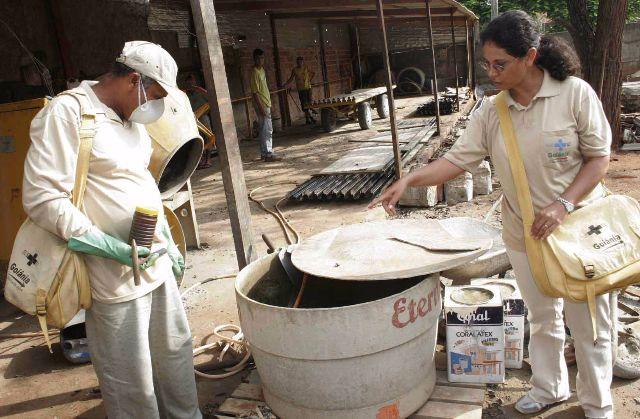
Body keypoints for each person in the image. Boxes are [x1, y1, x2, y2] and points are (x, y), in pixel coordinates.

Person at [370, 11, 614, 419]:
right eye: (487, 63)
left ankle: (597, 405)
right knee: (542, 318)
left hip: (577, 232)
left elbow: (599, 159)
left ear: (530, 56)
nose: (492, 72)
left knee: (589, 326)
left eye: (500, 64)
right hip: (525, 234)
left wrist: (562, 204)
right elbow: (455, 161)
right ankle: (550, 388)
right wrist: (409, 179)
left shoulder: (575, 95)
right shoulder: (492, 111)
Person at [23, 41, 201, 419]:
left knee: (175, 356)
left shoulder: (130, 119)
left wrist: (166, 240)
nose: (153, 106)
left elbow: (141, 180)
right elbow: (42, 198)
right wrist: (108, 246)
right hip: (113, 280)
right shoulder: (69, 113)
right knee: (130, 380)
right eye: (152, 95)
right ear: (133, 79)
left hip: (153, 266)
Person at [250, 48, 281, 161]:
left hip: (266, 102)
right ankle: (268, 154)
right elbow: (255, 92)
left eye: (262, 58)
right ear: (254, 59)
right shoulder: (254, 72)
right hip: (261, 104)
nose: (260, 60)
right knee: (267, 129)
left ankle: (265, 153)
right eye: (258, 58)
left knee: (266, 128)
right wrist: (261, 107)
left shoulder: (262, 70)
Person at [184, 72, 214, 169]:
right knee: (198, 140)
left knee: (209, 137)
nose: (190, 85)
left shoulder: (200, 91)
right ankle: (201, 160)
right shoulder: (185, 95)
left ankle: (208, 159)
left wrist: (197, 88)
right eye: (188, 83)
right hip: (192, 120)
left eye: (192, 82)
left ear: (195, 82)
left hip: (203, 118)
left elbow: (211, 99)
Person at [285, 56, 316, 124]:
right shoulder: (295, 70)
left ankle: (310, 116)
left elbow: (313, 73)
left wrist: (309, 80)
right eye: (298, 62)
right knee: (304, 105)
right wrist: (285, 84)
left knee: (309, 103)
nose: (300, 63)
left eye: (301, 62)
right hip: (301, 89)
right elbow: (291, 78)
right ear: (297, 62)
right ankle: (309, 119)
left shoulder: (306, 68)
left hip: (308, 88)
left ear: (303, 62)